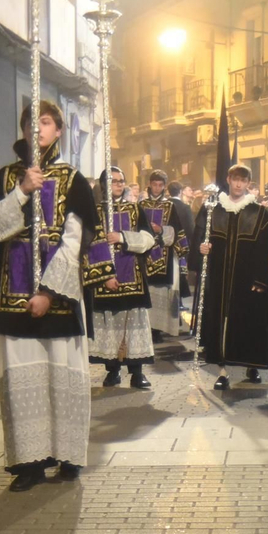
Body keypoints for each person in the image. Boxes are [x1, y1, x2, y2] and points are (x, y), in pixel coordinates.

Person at [0, 100, 100, 490]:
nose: (38, 129)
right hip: (13, 297)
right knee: (21, 384)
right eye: (32, 122)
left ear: (59, 131)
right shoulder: (4, 178)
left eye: (46, 122)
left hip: (60, 297)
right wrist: (20, 192)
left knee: (61, 379)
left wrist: (49, 291)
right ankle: (29, 464)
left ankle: (68, 455)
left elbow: (74, 242)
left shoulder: (73, 179)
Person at [193, 163, 268, 389]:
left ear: (248, 183)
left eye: (243, 180)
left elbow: (265, 250)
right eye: (235, 179)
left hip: (247, 280)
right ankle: (222, 371)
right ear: (229, 180)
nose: (239, 184)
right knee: (221, 323)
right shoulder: (213, 209)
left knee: (247, 324)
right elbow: (200, 238)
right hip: (220, 278)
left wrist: (261, 280)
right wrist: (201, 248)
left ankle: (251, 365)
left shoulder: (259, 213)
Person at [90, 166, 156, 389]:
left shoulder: (135, 209)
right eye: (113, 181)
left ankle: (137, 372)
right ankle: (113, 370)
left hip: (133, 278)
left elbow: (149, 239)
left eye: (121, 180)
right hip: (105, 279)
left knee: (133, 324)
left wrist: (122, 237)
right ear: (104, 185)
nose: (118, 184)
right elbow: (90, 247)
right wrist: (104, 276)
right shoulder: (94, 212)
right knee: (109, 326)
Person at [139, 169, 189, 338]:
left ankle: (158, 329)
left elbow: (177, 230)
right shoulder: (141, 205)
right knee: (147, 288)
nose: (157, 188)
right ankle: (146, 327)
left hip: (164, 254)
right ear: (150, 185)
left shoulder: (170, 206)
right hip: (145, 255)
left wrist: (161, 230)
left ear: (164, 187)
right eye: (154, 184)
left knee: (161, 291)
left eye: (160, 185)